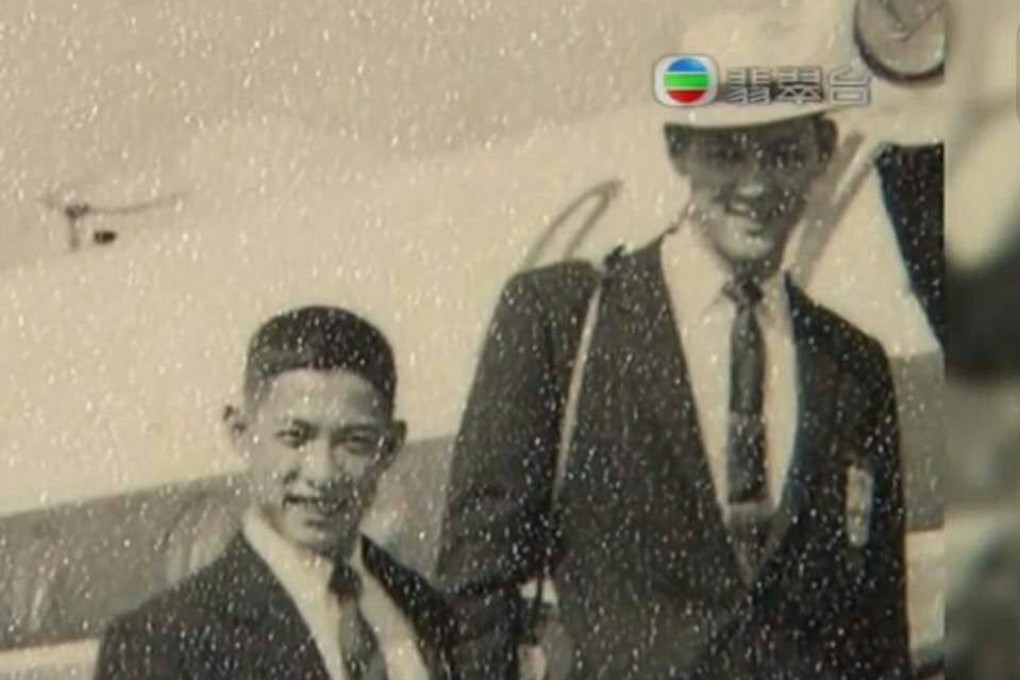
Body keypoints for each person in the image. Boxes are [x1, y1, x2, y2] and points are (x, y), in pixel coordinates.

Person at [435, 4, 914, 679]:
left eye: (782, 152)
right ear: (677, 149)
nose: (755, 182)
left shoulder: (852, 366)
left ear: (822, 153)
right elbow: (475, 587)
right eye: (725, 152)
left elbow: (879, 633)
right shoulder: (562, 319)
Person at [94, 306, 458, 680]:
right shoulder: (162, 645)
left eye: (355, 442)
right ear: (241, 433)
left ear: (391, 447)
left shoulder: (429, 612)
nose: (322, 473)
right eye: (294, 437)